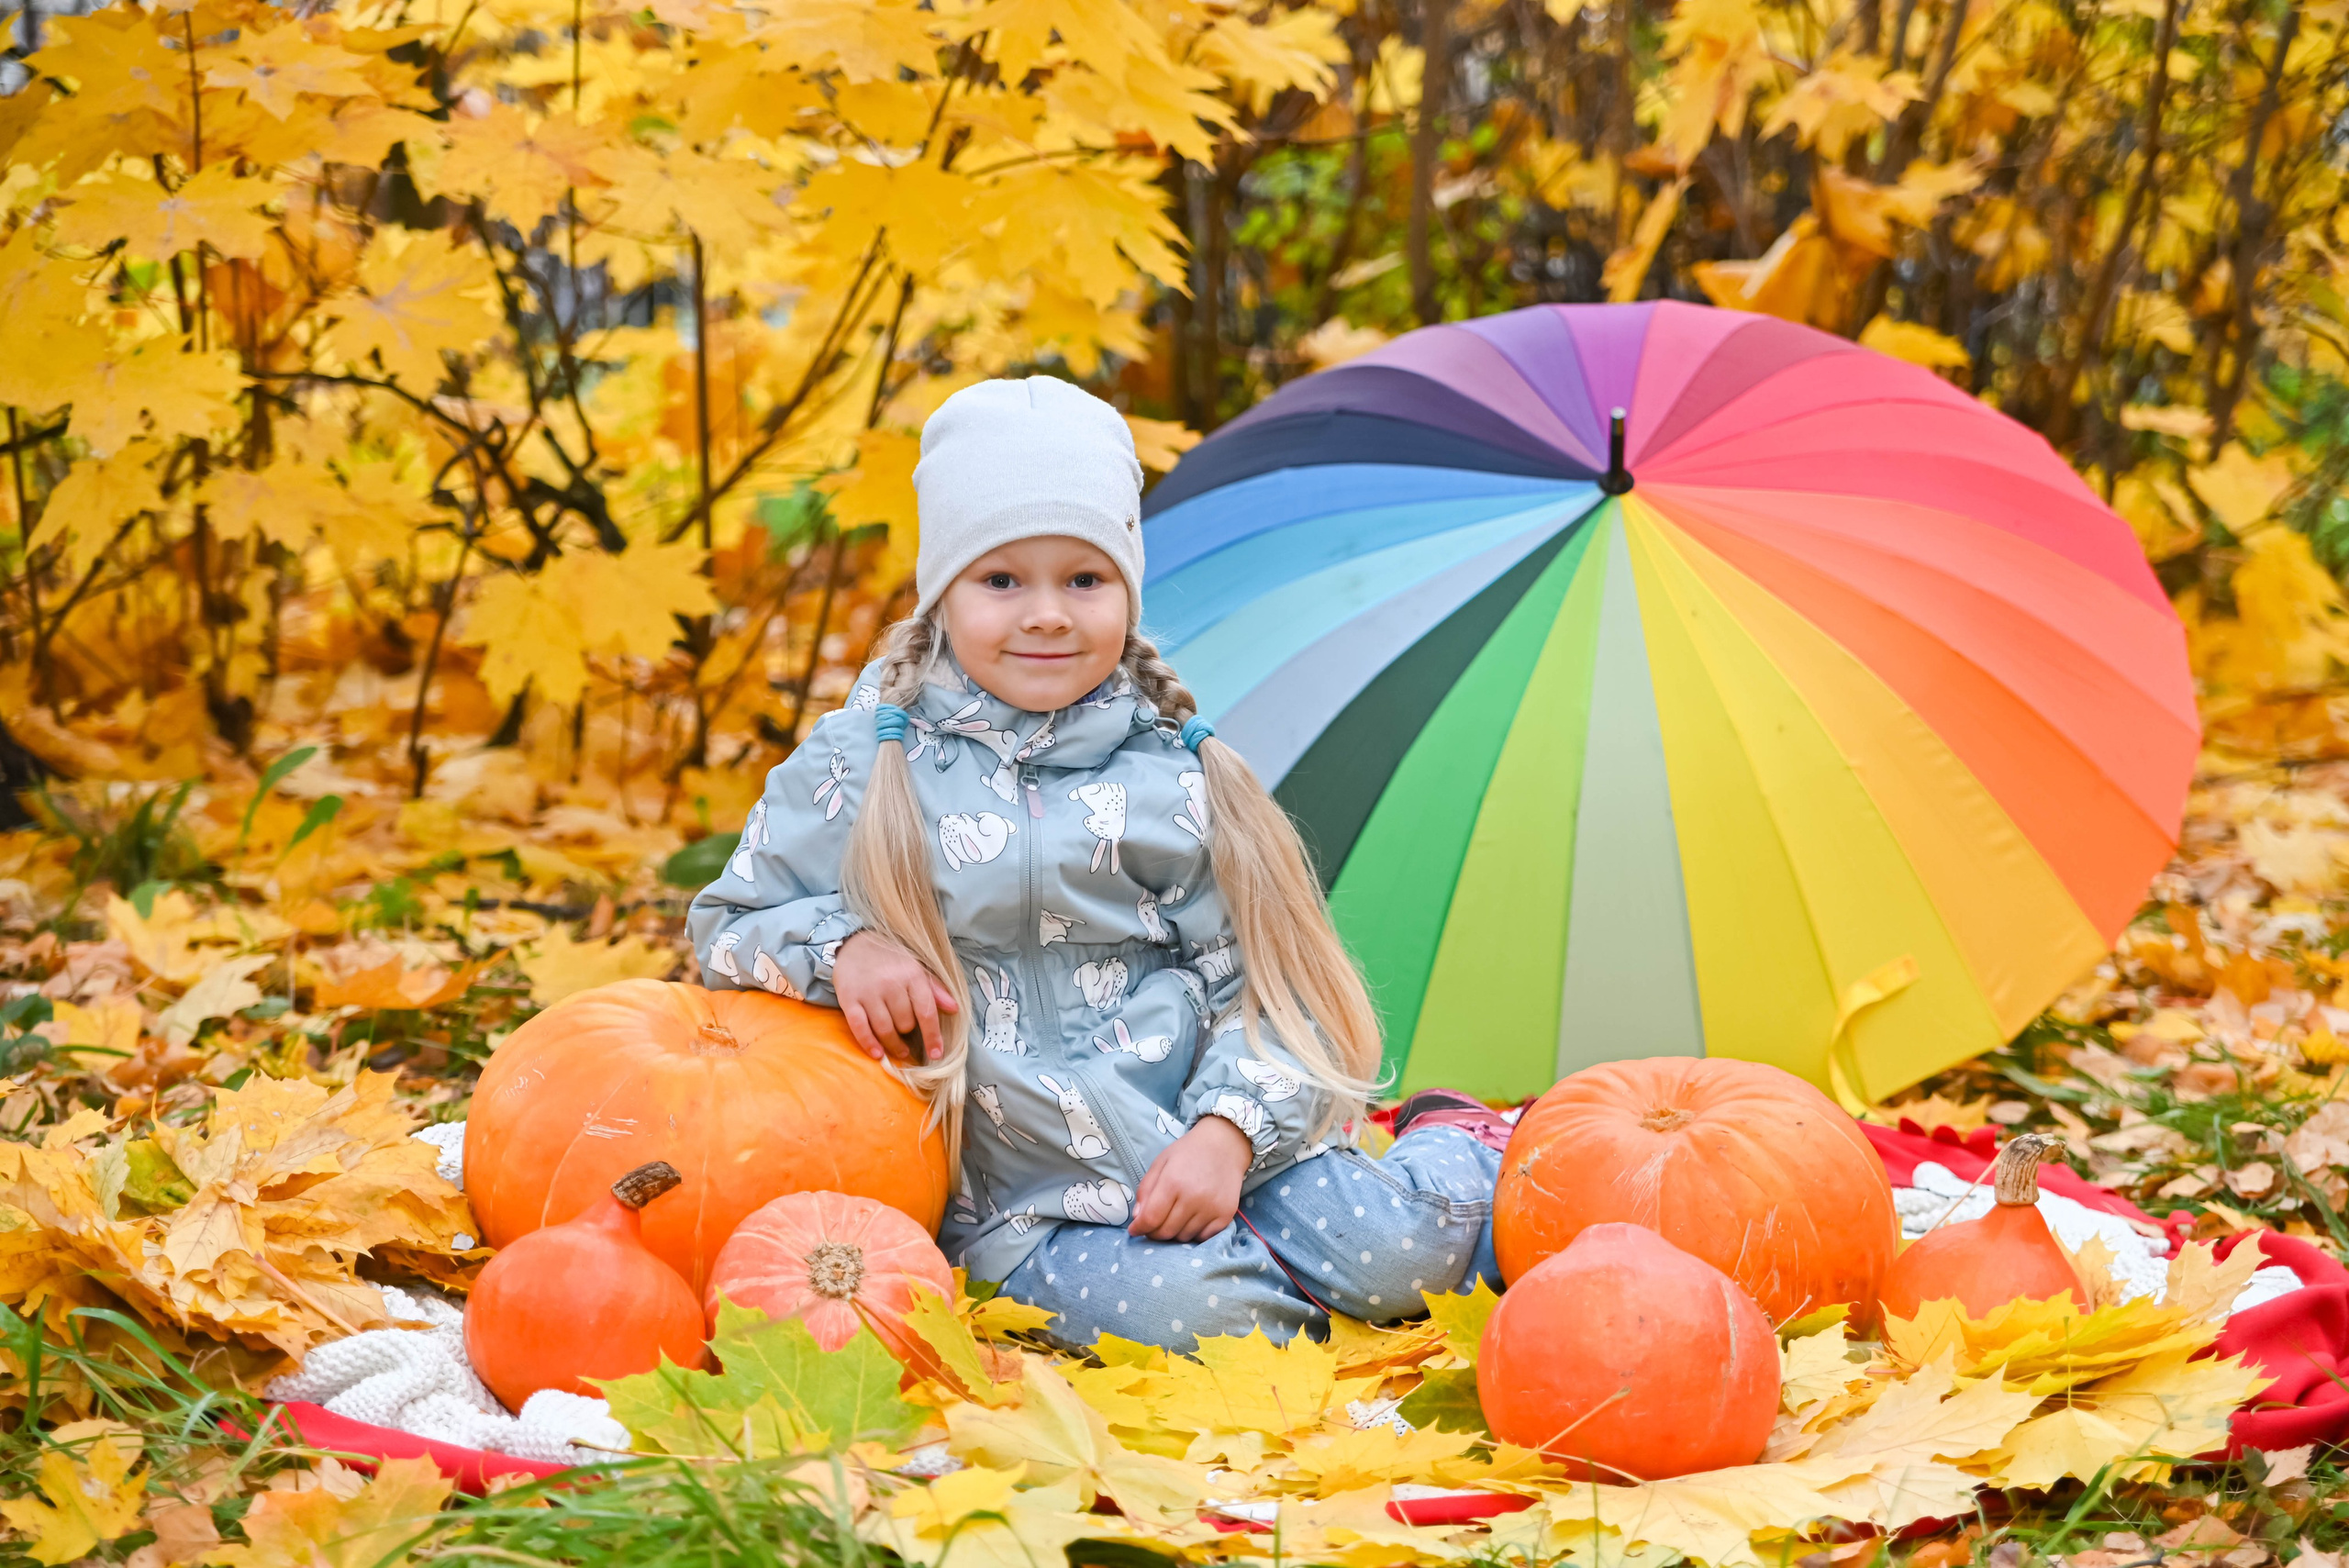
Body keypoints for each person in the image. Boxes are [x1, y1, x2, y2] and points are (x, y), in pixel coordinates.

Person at [688, 375, 1511, 1352]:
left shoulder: (1172, 771)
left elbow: (1264, 989)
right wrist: (843, 945)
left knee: (1396, 1248)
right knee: (1199, 1318)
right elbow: (725, 926)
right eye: (1001, 580)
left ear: (1127, 587)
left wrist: (1228, 1132)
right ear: (940, 592)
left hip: (1213, 1138)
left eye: (1085, 579)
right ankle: (1278, 1293)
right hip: (1026, 1199)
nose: (1047, 615)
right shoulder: (861, 761)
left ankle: (1461, 1149)